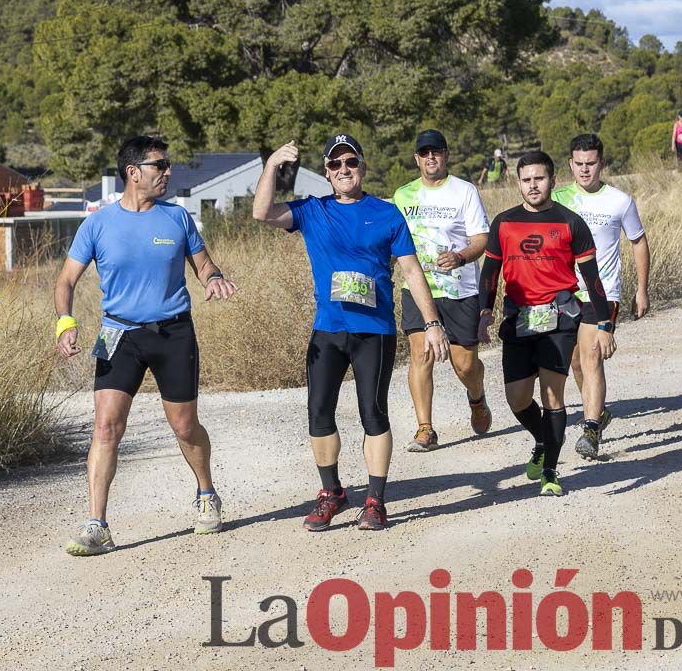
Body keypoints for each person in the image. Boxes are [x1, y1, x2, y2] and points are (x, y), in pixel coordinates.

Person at [253, 134, 449, 531]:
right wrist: (272, 164)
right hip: (328, 330)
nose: (344, 169)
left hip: (374, 331)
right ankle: (332, 493)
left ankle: (375, 500)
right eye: (335, 164)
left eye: (351, 162)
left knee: (372, 413)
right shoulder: (313, 210)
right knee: (319, 412)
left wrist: (432, 324)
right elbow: (262, 213)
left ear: (363, 167)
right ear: (327, 173)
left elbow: (412, 271)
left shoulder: (387, 214)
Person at [54, 135, 238, 556]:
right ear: (133, 172)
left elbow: (204, 264)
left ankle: (206, 493)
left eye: (167, 164)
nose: (168, 172)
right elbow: (65, 281)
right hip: (117, 335)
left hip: (173, 333)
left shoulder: (177, 218)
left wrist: (213, 279)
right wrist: (65, 322)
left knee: (184, 426)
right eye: (160, 165)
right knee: (105, 427)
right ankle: (97, 525)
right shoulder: (97, 224)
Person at [477, 150, 615, 496]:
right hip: (519, 318)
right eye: (526, 180)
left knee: (552, 395)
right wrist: (484, 312)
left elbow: (592, 279)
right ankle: (543, 439)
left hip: (560, 318)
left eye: (539, 178)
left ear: (553, 180)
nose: (533, 185)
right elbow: (490, 273)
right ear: (518, 183)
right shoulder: (504, 222)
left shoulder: (571, 222)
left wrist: (604, 324)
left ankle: (550, 472)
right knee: (517, 398)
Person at [553, 133, 651, 460]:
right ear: (570, 165)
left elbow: (638, 241)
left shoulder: (619, 201)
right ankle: (597, 409)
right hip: (565, 292)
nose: (585, 170)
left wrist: (641, 289)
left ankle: (591, 430)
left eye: (591, 163)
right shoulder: (558, 199)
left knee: (592, 355)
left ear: (602, 164)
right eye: (579, 164)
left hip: (603, 292)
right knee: (576, 361)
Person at [393, 129, 491, 451]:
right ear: (416, 159)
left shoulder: (464, 191)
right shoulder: (403, 196)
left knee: (465, 365)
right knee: (421, 355)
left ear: (446, 155)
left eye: (436, 151)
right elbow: (392, 241)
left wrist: (460, 256)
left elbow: (481, 239)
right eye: (424, 153)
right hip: (418, 287)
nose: (430, 157)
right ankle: (425, 428)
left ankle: (477, 397)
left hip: (460, 288)